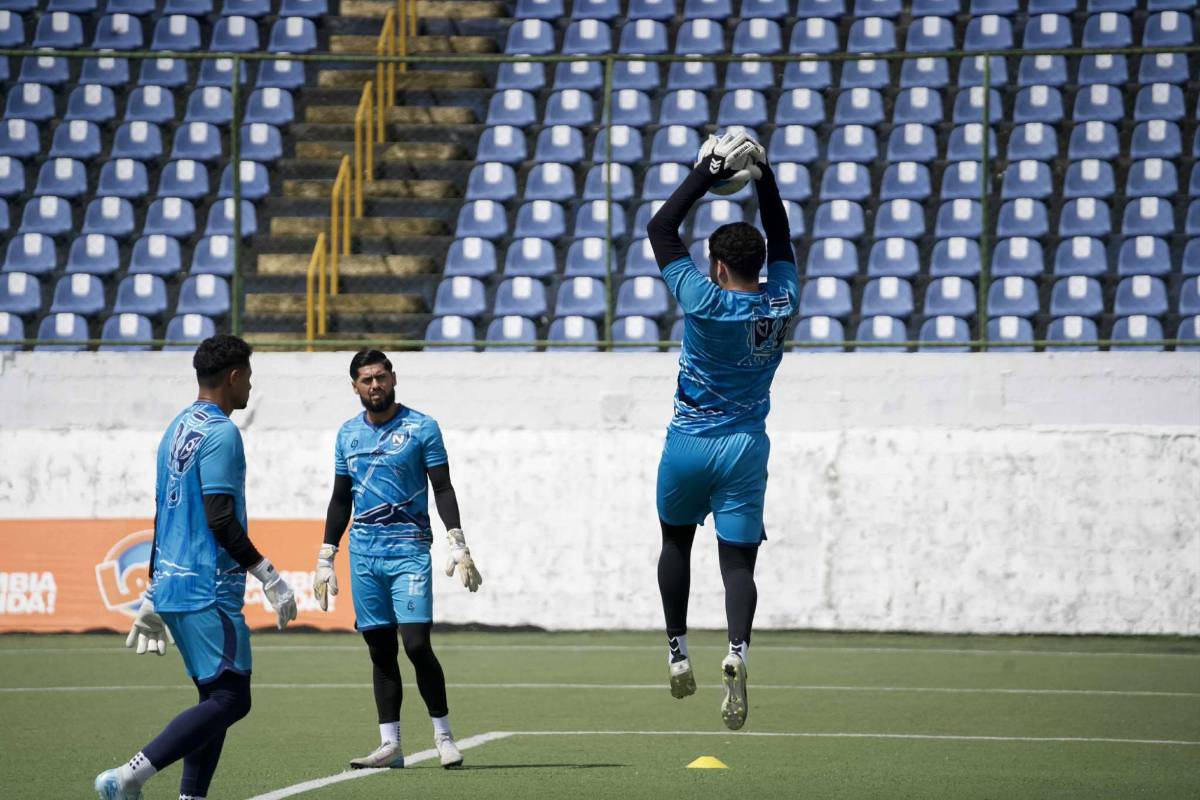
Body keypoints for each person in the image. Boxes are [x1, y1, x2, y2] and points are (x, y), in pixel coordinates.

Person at [94, 334, 298, 800]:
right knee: (231, 699)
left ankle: (191, 797)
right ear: (234, 376)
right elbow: (220, 517)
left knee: (214, 699)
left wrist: (152, 587)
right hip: (207, 587)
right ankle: (129, 776)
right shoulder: (222, 433)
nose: (250, 385)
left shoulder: (176, 428)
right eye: (248, 376)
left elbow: (164, 513)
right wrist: (270, 576)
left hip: (174, 585)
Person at [645, 132, 798, 731]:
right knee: (738, 565)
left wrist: (708, 172)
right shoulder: (781, 300)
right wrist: (765, 176)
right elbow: (781, 235)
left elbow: (661, 230)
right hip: (744, 448)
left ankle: (678, 650)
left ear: (714, 264)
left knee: (675, 543)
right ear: (759, 265)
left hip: (688, 444)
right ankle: (736, 651)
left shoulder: (703, 301)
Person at [314, 349, 482, 769]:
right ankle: (390, 745)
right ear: (355, 386)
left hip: (408, 551)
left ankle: (443, 736)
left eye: (381, 377)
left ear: (394, 379)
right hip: (364, 556)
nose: (375, 385)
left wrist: (457, 540)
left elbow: (442, 487)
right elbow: (340, 499)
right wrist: (326, 552)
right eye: (366, 379)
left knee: (416, 643)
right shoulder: (347, 435)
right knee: (380, 650)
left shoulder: (422, 427)